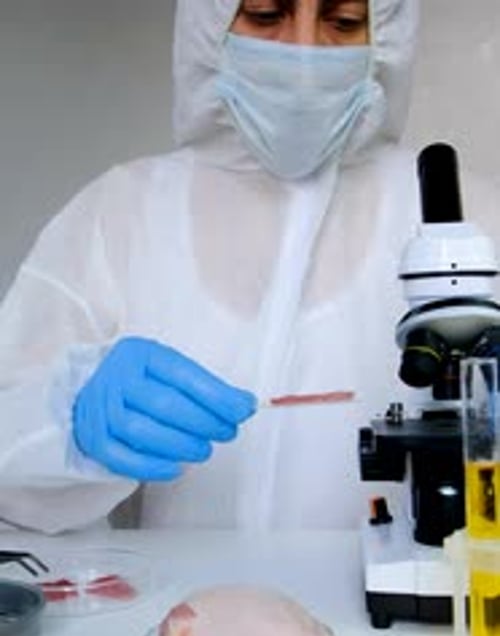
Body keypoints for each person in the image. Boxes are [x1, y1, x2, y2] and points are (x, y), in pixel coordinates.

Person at [0, 0, 497, 535]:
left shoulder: (469, 217)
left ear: (383, 37)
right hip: (180, 613)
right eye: (265, 14)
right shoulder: (120, 212)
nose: (305, 54)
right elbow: (9, 444)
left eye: (343, 21)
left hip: (411, 615)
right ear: (208, 27)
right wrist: (67, 427)